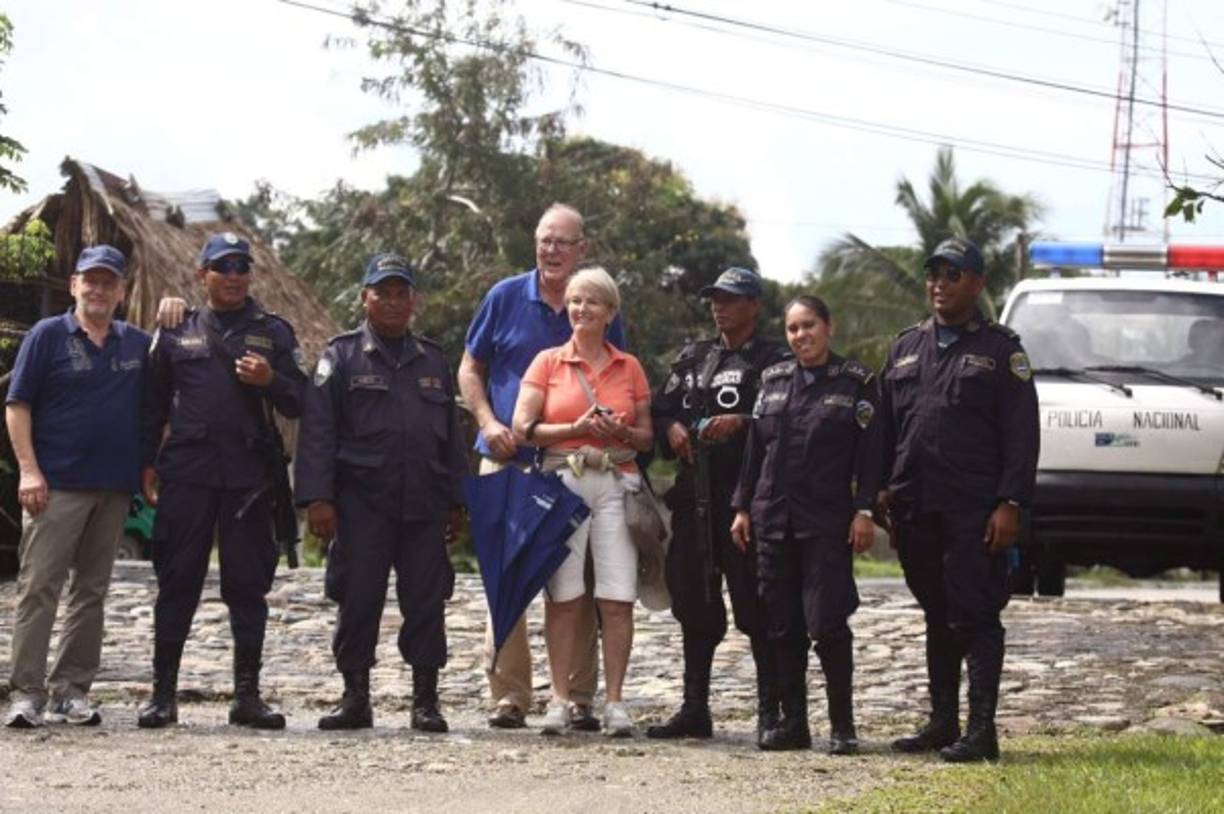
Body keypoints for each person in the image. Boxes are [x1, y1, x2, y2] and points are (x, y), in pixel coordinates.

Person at [459, 204, 624, 730]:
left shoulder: (596, 301)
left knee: (575, 581)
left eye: (562, 242)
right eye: (544, 240)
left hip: (573, 465)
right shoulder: (505, 296)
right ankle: (510, 697)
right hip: (505, 459)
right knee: (505, 579)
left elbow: (622, 376)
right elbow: (470, 367)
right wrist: (486, 421)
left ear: (583, 248)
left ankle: (576, 695)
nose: (551, 251)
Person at [877, 238, 1039, 763]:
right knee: (936, 612)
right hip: (915, 506)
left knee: (975, 614)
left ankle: (982, 729)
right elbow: (884, 430)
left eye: (952, 274)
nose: (939, 284)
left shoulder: (1000, 351)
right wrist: (878, 491)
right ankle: (943, 721)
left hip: (974, 508)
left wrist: (1011, 502)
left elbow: (1022, 435)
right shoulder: (905, 348)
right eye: (934, 274)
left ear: (976, 283)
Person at [137, 231, 307, 730]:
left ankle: (247, 697)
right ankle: (163, 695)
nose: (233, 276)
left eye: (241, 267)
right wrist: (146, 463)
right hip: (187, 476)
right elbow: (151, 406)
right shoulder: (175, 330)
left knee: (247, 587)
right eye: (222, 267)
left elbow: (302, 401)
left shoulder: (274, 333)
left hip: (250, 481)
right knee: (177, 583)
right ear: (202, 275)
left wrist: (270, 381)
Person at [295, 253, 467, 733]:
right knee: (358, 599)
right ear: (364, 297)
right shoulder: (341, 356)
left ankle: (425, 701)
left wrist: (458, 500)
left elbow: (450, 435)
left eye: (400, 293)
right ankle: (355, 698)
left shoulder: (432, 357)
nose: (392, 302)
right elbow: (318, 432)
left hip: (424, 503)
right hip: (360, 505)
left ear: (413, 300)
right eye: (382, 292)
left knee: (427, 602)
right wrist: (318, 499)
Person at [3, 246, 151, 729]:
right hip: (54, 486)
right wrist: (29, 470)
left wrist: (176, 309)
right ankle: (27, 692)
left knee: (91, 591)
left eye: (109, 281)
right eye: (91, 280)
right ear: (74, 285)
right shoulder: (46, 336)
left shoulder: (135, 344)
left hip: (112, 489)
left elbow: (178, 362)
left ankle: (71, 690)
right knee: (39, 588)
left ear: (121, 290)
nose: (99, 289)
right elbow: (17, 406)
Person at [730, 295, 881, 753]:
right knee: (782, 627)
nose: (801, 336)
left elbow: (871, 455)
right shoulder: (772, 381)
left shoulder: (856, 383)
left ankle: (842, 727)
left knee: (829, 624)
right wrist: (741, 508)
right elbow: (755, 453)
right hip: (772, 518)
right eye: (793, 329)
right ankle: (793, 723)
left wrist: (865, 509)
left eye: (809, 325)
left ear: (828, 326)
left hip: (826, 523)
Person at [644, 267, 789, 744]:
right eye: (715, 298)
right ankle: (695, 706)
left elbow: (789, 414)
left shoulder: (774, 358)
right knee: (694, 604)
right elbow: (660, 407)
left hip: (746, 502)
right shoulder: (694, 358)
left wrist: (743, 421)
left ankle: (772, 711)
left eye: (730, 299)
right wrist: (670, 428)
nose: (719, 306)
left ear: (754, 305)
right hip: (694, 501)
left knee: (756, 608)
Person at [511, 267, 653, 737]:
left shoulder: (628, 366)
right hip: (564, 482)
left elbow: (646, 436)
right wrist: (575, 429)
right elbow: (522, 428)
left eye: (591, 302)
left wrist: (620, 432)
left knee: (616, 597)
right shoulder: (547, 362)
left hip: (616, 480)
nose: (580, 309)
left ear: (610, 311)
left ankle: (614, 702)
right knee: (564, 597)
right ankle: (558, 699)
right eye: (574, 301)